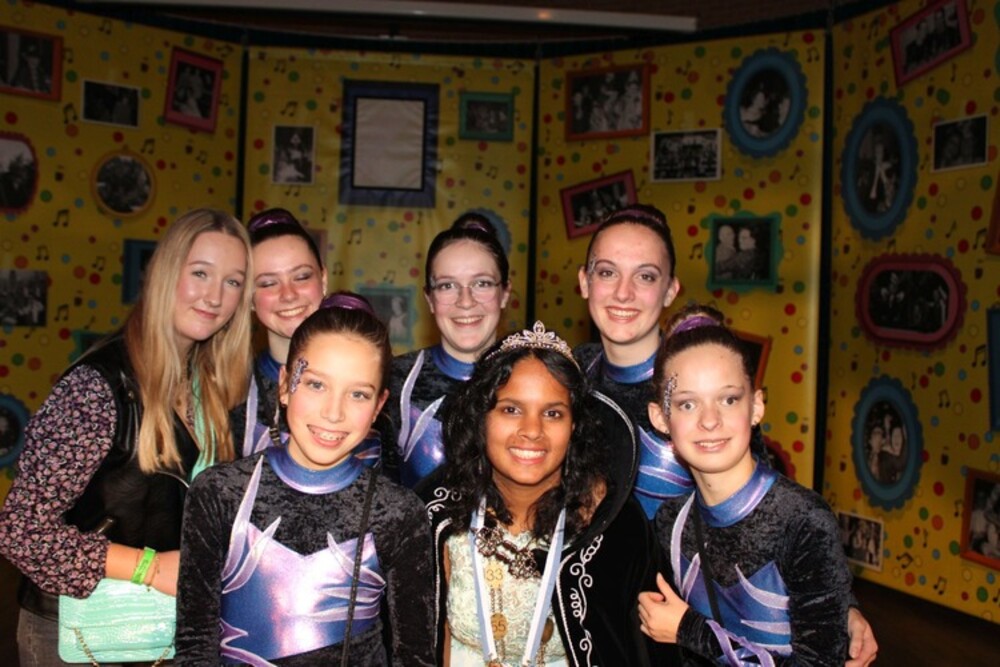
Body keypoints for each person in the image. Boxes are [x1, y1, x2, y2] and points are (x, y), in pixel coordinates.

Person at [577, 204, 877, 665]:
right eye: (606, 272)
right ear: (584, 281)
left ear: (671, 289)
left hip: (689, 630)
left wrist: (838, 606)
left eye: (646, 276)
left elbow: (768, 512)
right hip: (596, 611)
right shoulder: (571, 375)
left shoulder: (705, 379)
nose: (623, 292)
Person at [0, 208, 253, 666]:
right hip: (78, 637)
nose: (215, 296)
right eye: (200, 273)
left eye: (232, 281)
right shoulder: (97, 387)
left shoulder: (211, 389)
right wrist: (150, 569)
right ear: (164, 273)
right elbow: (21, 532)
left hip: (158, 633)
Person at [176, 294, 435, 665]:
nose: (333, 412)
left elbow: (415, 657)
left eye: (358, 394)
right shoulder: (219, 493)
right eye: (316, 385)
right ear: (285, 385)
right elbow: (194, 647)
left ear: (379, 406)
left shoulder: (399, 513)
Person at [423, 321, 662, 665]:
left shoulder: (614, 527)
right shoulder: (436, 515)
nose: (532, 430)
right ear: (482, 418)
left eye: (552, 413)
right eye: (511, 409)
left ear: (574, 426)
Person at [639, 305, 854, 665]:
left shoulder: (802, 522)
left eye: (728, 399)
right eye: (688, 404)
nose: (710, 420)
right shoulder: (670, 523)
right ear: (660, 418)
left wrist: (692, 631)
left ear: (756, 407)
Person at [381, 212, 511, 487]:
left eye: (482, 283)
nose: (465, 301)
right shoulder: (392, 381)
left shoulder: (536, 383)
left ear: (505, 293)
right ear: (429, 299)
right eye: (447, 285)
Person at [237, 208, 327, 456]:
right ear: (249, 297)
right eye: (268, 283)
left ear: (323, 280)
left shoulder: (370, 380)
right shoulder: (227, 392)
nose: (288, 294)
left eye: (301, 277)